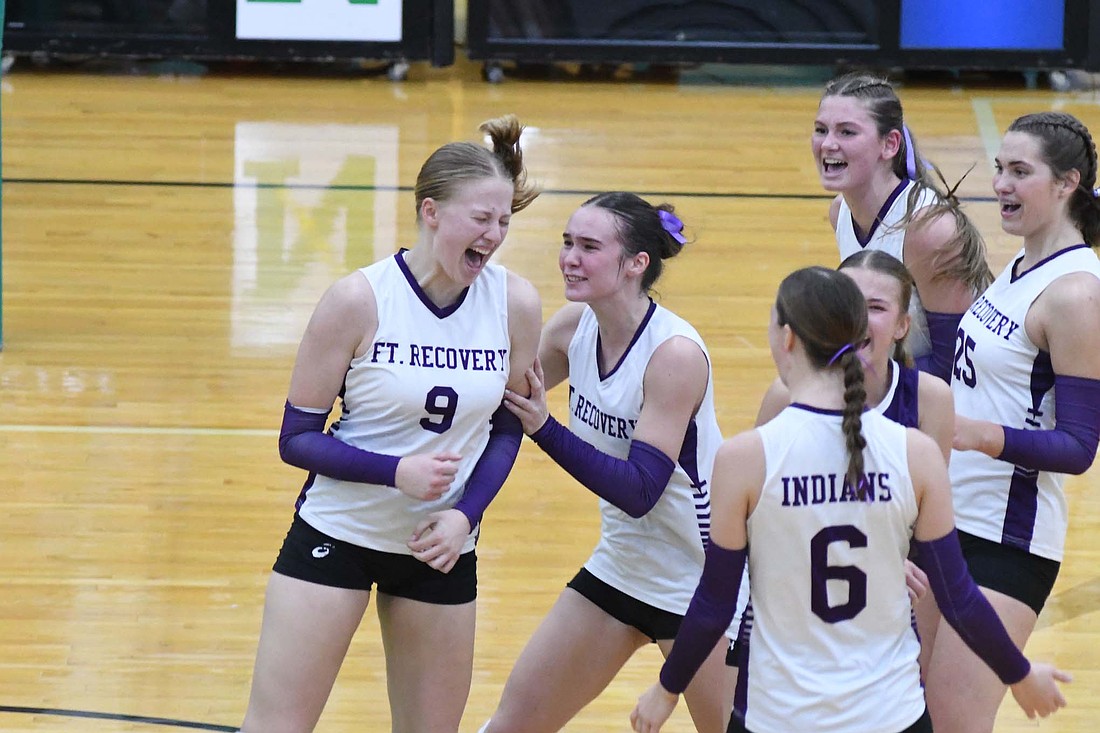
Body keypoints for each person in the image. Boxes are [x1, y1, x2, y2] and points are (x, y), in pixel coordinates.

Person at [629, 266, 1071, 733]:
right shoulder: (916, 452)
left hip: (782, 716)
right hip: (891, 716)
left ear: (787, 339)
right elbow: (958, 595)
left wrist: (667, 690)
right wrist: (1019, 674)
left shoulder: (743, 458)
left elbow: (714, 603)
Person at [238, 114, 543, 733]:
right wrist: (394, 471)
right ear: (431, 212)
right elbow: (296, 440)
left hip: (440, 545)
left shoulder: (515, 303)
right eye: (481, 219)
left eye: (504, 222)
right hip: (339, 533)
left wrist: (466, 515)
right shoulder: (358, 299)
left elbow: (508, 428)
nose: (493, 236)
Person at [481, 192, 737, 733]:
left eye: (589, 247)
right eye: (567, 243)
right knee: (512, 723)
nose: (569, 258)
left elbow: (640, 491)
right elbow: (496, 403)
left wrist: (545, 429)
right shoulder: (572, 329)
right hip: (622, 566)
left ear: (636, 263)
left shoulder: (673, 355)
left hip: (702, 583)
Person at [923, 111, 1100, 733]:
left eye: (1020, 171)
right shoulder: (1021, 265)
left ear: (1067, 183)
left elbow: (1079, 446)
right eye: (1000, 168)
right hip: (946, 518)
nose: (1001, 183)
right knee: (908, 714)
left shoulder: (1077, 295)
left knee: (955, 722)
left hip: (1008, 539)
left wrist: (976, 435)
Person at [751, 249, 954, 676]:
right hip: (800, 585)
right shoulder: (785, 396)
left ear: (902, 326)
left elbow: (924, 524)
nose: (859, 317)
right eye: (850, 301)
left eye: (876, 307)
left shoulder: (930, 398)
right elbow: (755, 518)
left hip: (896, 593)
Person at [813, 71, 992, 382]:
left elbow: (956, 364)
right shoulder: (840, 211)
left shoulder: (928, 230)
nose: (828, 144)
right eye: (821, 130)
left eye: (847, 132)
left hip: (953, 396)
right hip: (896, 381)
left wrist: (863, 379)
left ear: (890, 144)